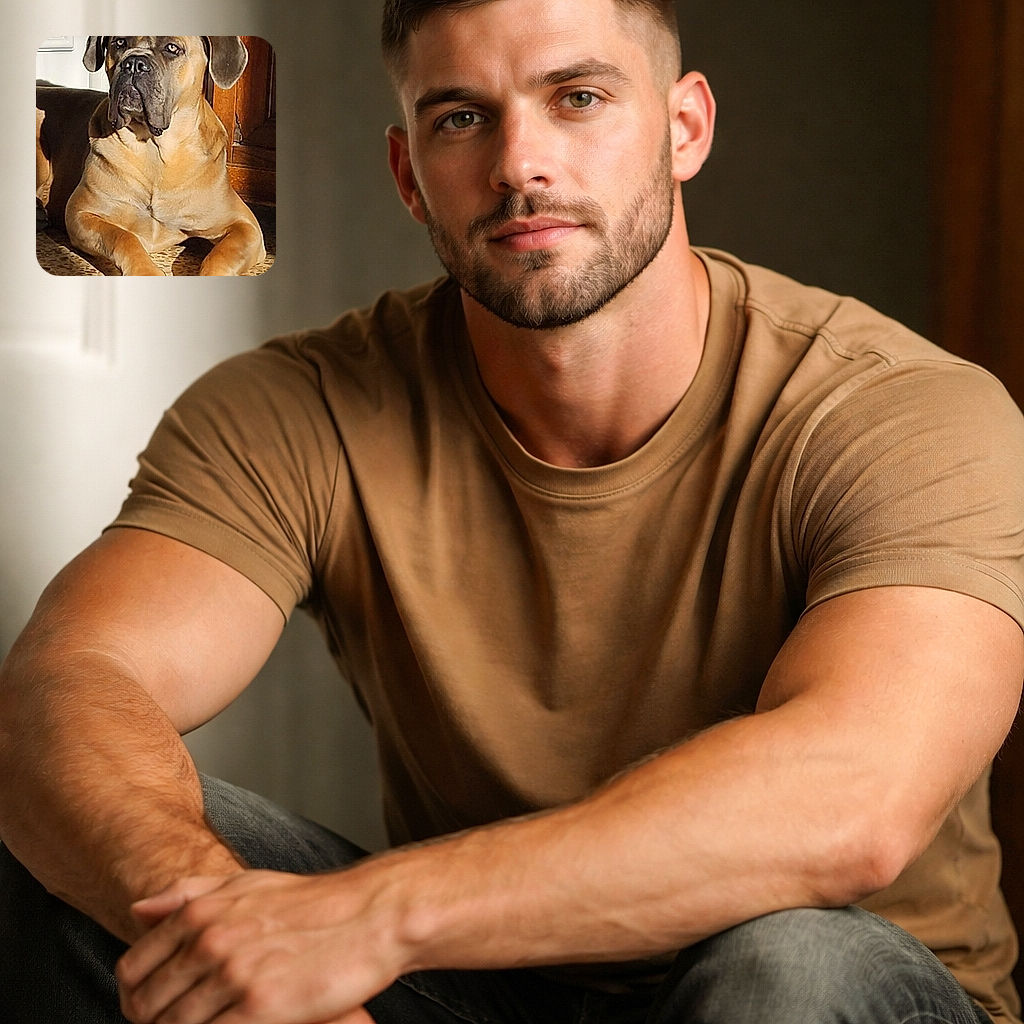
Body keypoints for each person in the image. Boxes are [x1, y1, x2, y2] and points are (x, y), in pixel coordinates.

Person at [2, 0, 1023, 1021]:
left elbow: (852, 800)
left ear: (684, 128)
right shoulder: (296, 410)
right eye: (461, 118)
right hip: (481, 991)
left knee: (788, 965)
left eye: (577, 98)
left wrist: (370, 919)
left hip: (836, 984)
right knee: (88, 850)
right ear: (409, 175)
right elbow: (69, 684)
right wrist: (224, 943)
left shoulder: (901, 410)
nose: (518, 165)